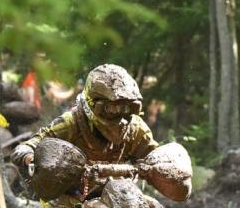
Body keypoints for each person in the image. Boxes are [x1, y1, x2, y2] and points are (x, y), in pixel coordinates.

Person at [12, 63, 158, 168]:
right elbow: (27, 147)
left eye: (125, 107)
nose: (118, 113)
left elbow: (155, 157)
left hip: (121, 196)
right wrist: (31, 158)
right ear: (94, 104)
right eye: (110, 108)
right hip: (71, 199)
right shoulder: (71, 124)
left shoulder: (135, 128)